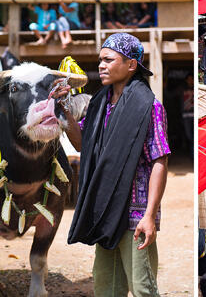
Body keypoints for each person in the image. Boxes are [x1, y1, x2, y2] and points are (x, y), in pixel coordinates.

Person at [62, 32, 170, 297]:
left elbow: (159, 160)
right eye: (100, 60)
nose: (101, 65)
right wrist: (63, 108)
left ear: (131, 65)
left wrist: (149, 216)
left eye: (109, 60)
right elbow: (81, 144)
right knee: (106, 288)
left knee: (142, 288)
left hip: (136, 215)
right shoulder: (99, 105)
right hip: (106, 210)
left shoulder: (150, 107)